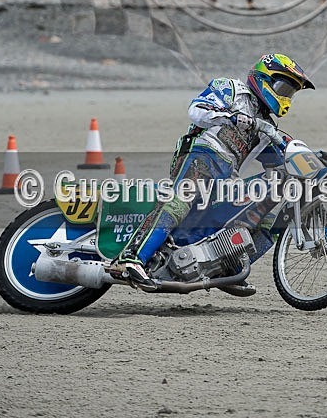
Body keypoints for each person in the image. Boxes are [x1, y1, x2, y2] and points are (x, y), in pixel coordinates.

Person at [111, 54, 315, 290]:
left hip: (227, 176)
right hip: (201, 156)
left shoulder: (266, 127)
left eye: (290, 92)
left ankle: (227, 270)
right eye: (283, 87)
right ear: (263, 78)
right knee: (179, 202)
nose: (285, 96)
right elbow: (196, 109)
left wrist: (309, 160)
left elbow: (279, 162)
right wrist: (230, 117)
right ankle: (131, 258)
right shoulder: (231, 89)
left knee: (268, 217)